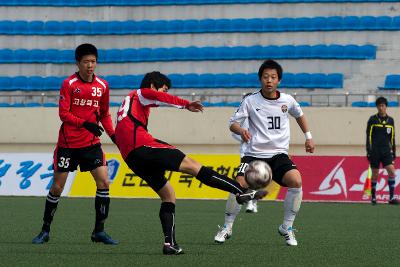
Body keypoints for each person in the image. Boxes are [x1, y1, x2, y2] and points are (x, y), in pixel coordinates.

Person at [114, 71, 266, 255]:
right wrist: (185, 105)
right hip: (142, 145)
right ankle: (241, 191)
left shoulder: (129, 102)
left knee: (168, 195)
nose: (163, 94)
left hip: (131, 157)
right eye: (163, 89)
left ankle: (169, 244)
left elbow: (121, 131)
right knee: (194, 166)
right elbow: (157, 96)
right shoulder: (141, 93)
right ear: (153, 86)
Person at [214, 59, 315, 246]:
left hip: (278, 155)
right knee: (239, 185)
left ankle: (287, 227)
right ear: (260, 79)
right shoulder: (250, 100)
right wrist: (241, 130)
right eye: (266, 76)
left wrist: (308, 137)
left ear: (279, 80)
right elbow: (232, 123)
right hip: (253, 154)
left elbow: (299, 115)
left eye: (273, 77)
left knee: (296, 180)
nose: (269, 80)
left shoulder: (287, 100)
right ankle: (227, 227)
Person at [32, 43, 118, 245]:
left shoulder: (102, 86)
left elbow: (104, 114)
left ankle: (99, 231)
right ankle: (45, 230)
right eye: (86, 61)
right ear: (78, 63)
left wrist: (114, 136)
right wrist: (85, 123)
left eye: (93, 61)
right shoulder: (69, 84)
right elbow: (64, 114)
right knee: (57, 187)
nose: (90, 65)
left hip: (91, 144)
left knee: (104, 182)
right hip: (68, 144)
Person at [366, 96, 398, 205]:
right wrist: (368, 151)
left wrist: (394, 151)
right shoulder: (372, 119)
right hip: (375, 151)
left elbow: (392, 137)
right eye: (379, 106)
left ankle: (392, 197)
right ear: (377, 107)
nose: (381, 108)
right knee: (375, 174)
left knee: (392, 171)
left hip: (386, 151)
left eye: (383, 105)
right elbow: (368, 136)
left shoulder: (391, 120)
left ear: (386, 107)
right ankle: (374, 197)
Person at [232, 93, 259, 213]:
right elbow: (233, 132)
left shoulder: (259, 115)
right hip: (245, 153)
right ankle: (248, 201)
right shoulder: (240, 117)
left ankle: (253, 202)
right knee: (244, 178)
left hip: (258, 152)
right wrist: (243, 138)